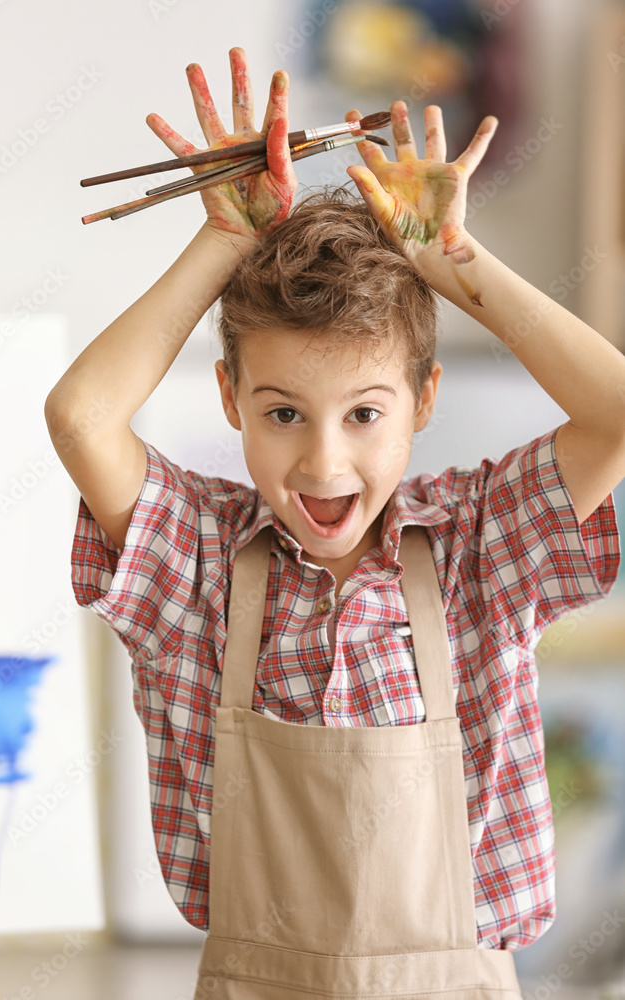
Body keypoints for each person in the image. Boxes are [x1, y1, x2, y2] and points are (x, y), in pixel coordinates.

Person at [45, 46, 623, 998]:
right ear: (229, 397)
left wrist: (452, 264)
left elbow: (615, 411)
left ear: (423, 399)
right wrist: (223, 242)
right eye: (283, 413)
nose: (322, 462)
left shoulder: (481, 546)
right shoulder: (198, 559)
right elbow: (81, 419)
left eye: (365, 413)